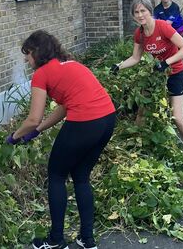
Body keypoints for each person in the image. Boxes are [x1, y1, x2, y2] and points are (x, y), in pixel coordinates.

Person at [7, 30, 116, 249]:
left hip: (85, 121)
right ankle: (87, 239)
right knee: (81, 176)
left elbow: (32, 117)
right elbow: (64, 108)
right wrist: (39, 130)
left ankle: (56, 240)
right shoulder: (71, 65)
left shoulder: (41, 74)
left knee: (56, 174)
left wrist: (14, 136)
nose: (26, 60)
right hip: (107, 120)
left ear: (37, 52)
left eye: (27, 54)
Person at [111, 0, 183, 161]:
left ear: (150, 11)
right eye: (136, 12)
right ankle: (135, 150)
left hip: (174, 73)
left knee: (177, 117)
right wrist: (119, 66)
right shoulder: (140, 34)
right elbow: (136, 58)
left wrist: (166, 62)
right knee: (142, 114)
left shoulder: (162, 27)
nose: (140, 15)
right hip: (155, 77)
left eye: (143, 10)